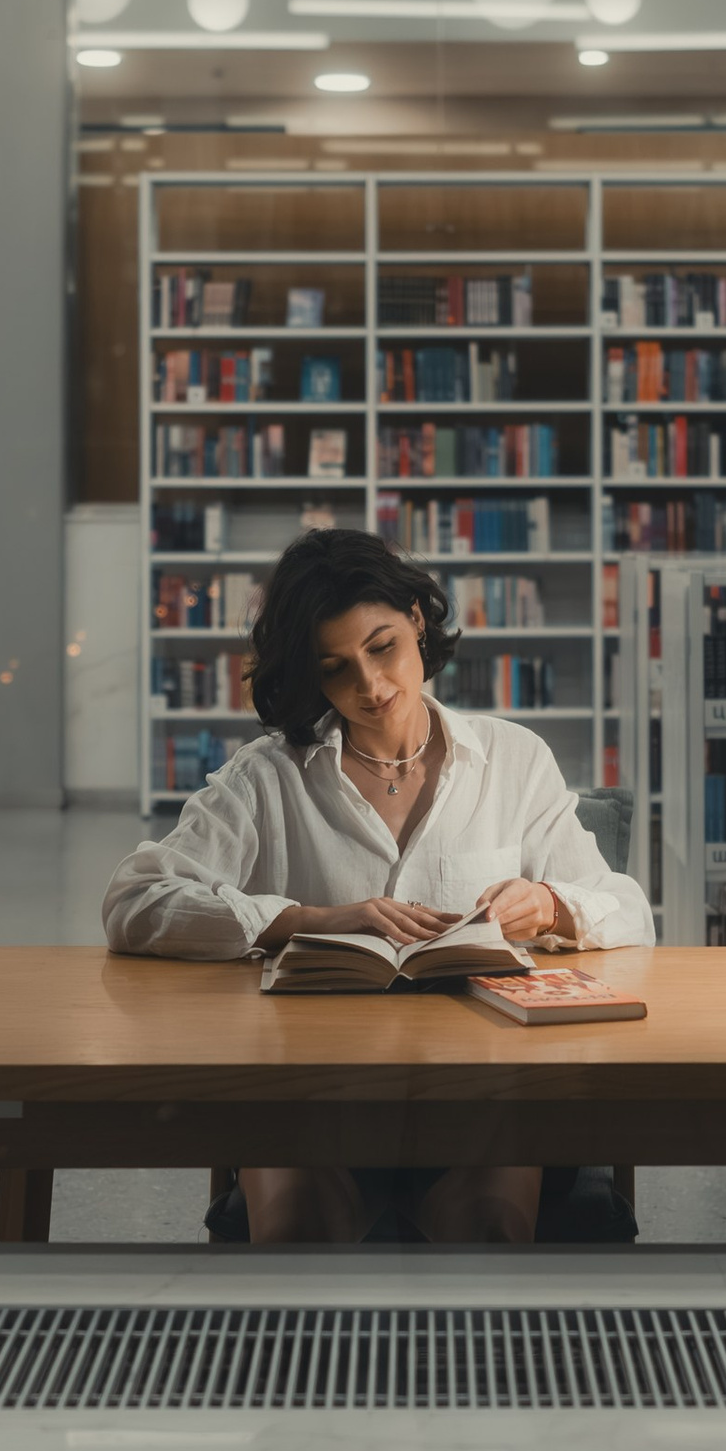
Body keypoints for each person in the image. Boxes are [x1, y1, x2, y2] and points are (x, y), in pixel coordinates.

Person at [102, 525, 652, 1246]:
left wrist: (550, 904)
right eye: (334, 667)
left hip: (480, 1093)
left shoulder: (514, 760)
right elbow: (135, 901)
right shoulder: (268, 775)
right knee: (299, 1222)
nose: (369, 686)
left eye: (383, 647)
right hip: (311, 1095)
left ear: (418, 622)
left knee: (488, 1224)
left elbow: (630, 911)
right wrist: (304, 920)